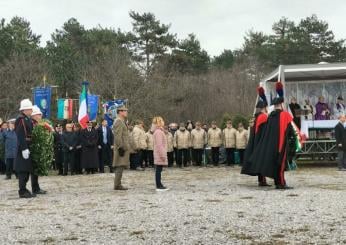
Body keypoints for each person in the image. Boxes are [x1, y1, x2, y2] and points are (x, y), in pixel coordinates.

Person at [248, 97, 298, 189]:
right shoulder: (285, 115)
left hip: (272, 145)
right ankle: (281, 183)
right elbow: (291, 130)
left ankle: (277, 182)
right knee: (281, 164)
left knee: (276, 163)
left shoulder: (270, 116)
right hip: (281, 143)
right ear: (281, 104)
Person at [241, 99, 270, 186]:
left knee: (259, 161)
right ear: (264, 107)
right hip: (261, 142)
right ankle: (262, 180)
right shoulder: (263, 117)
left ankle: (261, 180)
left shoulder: (257, 117)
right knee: (262, 161)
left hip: (257, 142)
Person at [14, 99, 36, 198]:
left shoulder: (27, 119)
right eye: (30, 109)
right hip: (23, 147)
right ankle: (22, 191)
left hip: (28, 146)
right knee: (23, 170)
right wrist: (24, 148)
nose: (31, 110)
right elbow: (20, 134)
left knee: (27, 169)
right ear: (25, 110)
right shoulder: (21, 119)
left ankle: (24, 189)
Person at [113, 105, 130, 190]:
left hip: (123, 147)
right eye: (124, 111)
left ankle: (118, 184)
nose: (126, 112)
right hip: (121, 148)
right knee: (119, 165)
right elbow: (117, 136)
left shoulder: (122, 121)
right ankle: (117, 185)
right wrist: (120, 147)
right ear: (120, 112)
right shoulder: (118, 121)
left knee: (121, 165)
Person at [152, 116, 169, 191]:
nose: (163, 122)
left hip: (159, 153)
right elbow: (159, 145)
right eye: (161, 120)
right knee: (158, 170)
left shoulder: (159, 131)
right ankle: (158, 185)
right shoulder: (158, 132)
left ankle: (159, 184)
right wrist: (163, 155)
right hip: (159, 154)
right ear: (159, 122)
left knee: (159, 170)